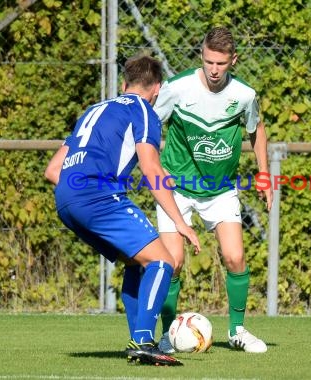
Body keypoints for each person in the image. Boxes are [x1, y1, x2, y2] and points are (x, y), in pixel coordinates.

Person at [44, 54, 201, 366]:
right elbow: (151, 169)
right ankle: (144, 339)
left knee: (136, 262)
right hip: (98, 194)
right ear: (157, 89)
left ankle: (141, 342)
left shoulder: (94, 109)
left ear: (124, 84)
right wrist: (180, 222)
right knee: (162, 261)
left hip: (65, 198)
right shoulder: (144, 111)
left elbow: (52, 170)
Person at [153, 26, 273, 354]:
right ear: (201, 56)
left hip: (220, 190)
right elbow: (149, 127)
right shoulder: (177, 89)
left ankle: (236, 331)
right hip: (176, 188)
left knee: (235, 257)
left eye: (221, 63)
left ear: (233, 60)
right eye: (208, 62)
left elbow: (257, 128)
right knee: (172, 262)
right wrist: (157, 170)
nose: (214, 70)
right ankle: (169, 334)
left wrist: (263, 174)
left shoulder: (244, 95)